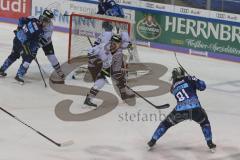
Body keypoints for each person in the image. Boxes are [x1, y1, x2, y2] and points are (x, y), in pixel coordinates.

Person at [147, 67, 216, 151]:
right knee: (204, 123)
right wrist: (195, 79)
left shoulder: (173, 88)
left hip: (180, 111)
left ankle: (152, 141)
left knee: (165, 124)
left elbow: (176, 88)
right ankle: (210, 143)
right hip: (195, 109)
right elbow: (203, 87)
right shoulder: (189, 79)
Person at [84, 34, 135, 107]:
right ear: (111, 41)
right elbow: (90, 51)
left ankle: (124, 94)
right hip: (96, 67)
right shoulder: (102, 47)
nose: (117, 44)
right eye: (115, 42)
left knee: (120, 75)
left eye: (118, 43)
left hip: (106, 67)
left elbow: (125, 45)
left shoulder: (118, 50)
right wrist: (95, 60)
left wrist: (129, 45)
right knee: (102, 80)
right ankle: (88, 99)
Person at [0, 15, 46, 83]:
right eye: (46, 22)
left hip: (17, 39)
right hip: (23, 44)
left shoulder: (33, 19)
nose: (46, 24)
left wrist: (19, 28)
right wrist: (33, 52)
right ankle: (19, 75)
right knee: (28, 58)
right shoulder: (40, 31)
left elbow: (21, 19)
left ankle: (1, 70)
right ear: (42, 22)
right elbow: (34, 43)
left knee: (14, 55)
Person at [38, 9, 65, 80]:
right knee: (28, 56)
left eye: (50, 19)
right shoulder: (36, 19)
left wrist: (36, 46)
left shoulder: (50, 27)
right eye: (48, 19)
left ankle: (59, 71)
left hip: (46, 43)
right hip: (35, 39)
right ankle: (22, 70)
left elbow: (44, 40)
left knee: (52, 57)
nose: (49, 21)